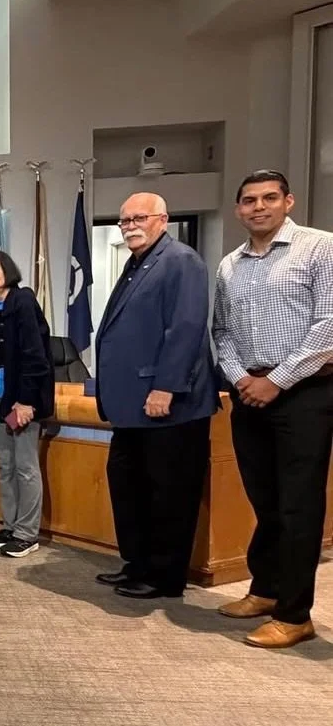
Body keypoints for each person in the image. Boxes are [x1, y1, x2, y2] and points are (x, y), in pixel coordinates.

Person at [212, 170, 333, 649]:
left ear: (288, 201)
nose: (258, 207)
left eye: (268, 198)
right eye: (248, 200)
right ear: (238, 209)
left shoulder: (320, 248)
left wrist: (276, 381)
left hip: (305, 392)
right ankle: (265, 589)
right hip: (249, 393)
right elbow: (221, 331)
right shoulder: (229, 265)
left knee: (298, 505)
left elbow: (329, 326)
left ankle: (295, 613)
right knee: (264, 500)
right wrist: (242, 378)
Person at [94, 193, 219, 600]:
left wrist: (165, 385)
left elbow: (185, 329)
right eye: (124, 219)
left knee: (167, 494)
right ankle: (138, 564)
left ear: (162, 219)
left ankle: (164, 577)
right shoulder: (137, 264)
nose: (129, 225)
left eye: (138, 218)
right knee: (129, 489)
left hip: (168, 405)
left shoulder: (180, 260)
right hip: (132, 409)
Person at [0, 250, 54, 558]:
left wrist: (27, 401)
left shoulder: (22, 300)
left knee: (25, 467)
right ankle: (10, 525)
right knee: (6, 465)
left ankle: (26, 533)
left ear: (7, 269)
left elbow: (36, 355)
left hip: (19, 399)